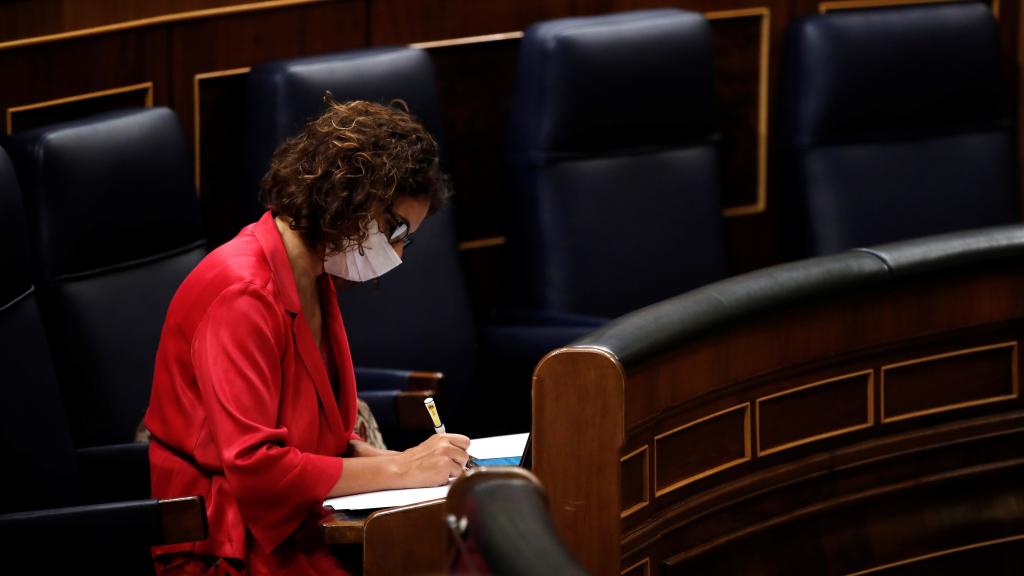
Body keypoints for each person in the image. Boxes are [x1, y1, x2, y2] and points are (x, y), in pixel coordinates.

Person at [144, 98, 470, 575]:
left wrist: (419, 464)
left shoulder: (315, 277)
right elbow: (257, 469)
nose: (399, 251)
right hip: (226, 547)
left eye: (409, 237)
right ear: (350, 198)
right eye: (395, 229)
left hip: (299, 528)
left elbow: (324, 446)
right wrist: (402, 469)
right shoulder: (242, 293)